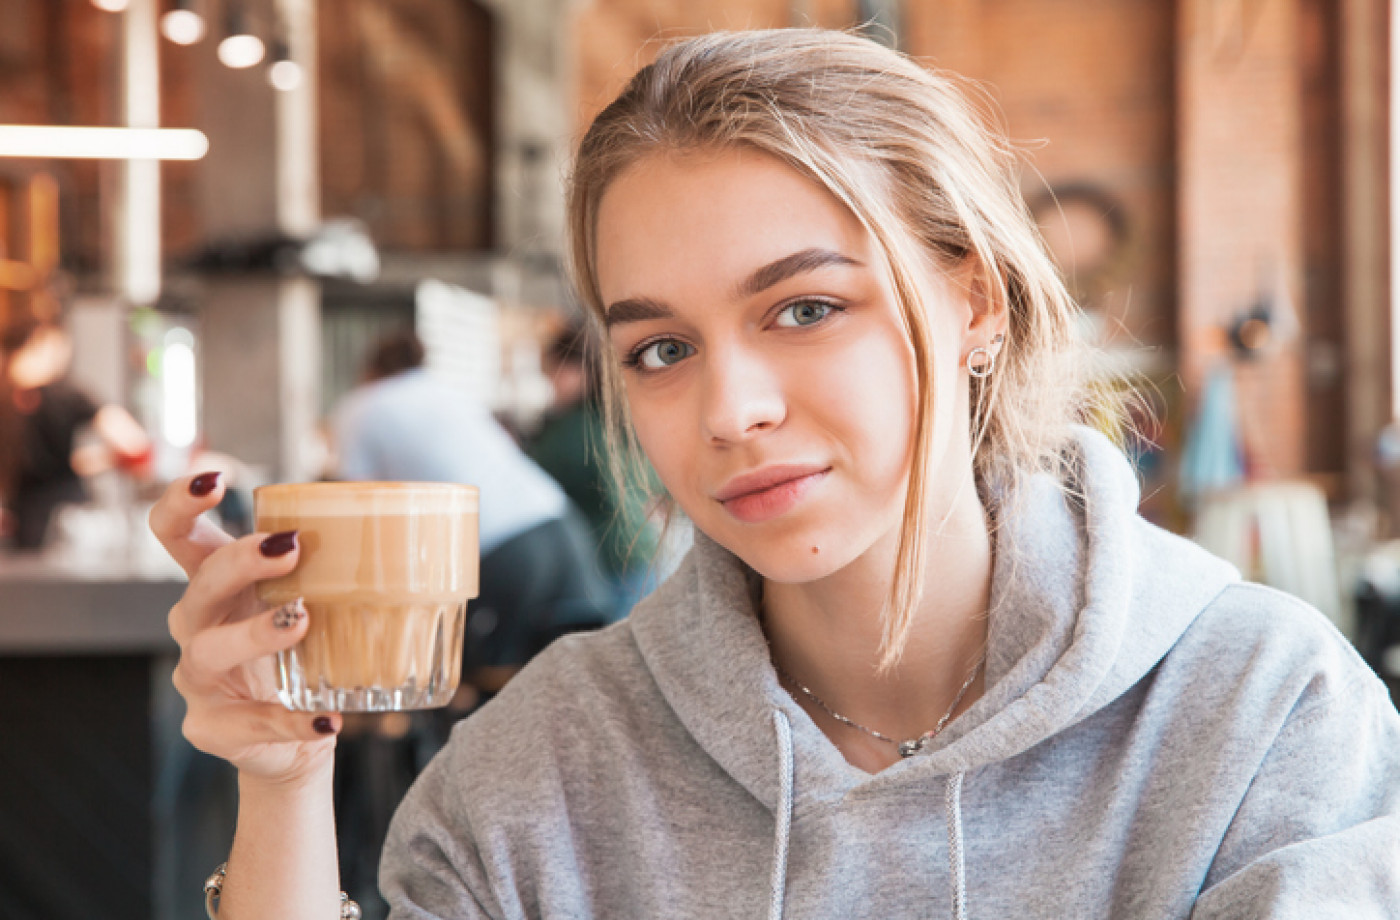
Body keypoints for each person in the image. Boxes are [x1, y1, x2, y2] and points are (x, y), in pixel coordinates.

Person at [150, 29, 1400, 920]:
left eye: (804, 308)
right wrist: (284, 779)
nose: (730, 409)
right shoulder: (542, 770)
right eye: (659, 348)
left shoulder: (1259, 712)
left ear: (969, 296)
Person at [330, 328, 615, 678]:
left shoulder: (362, 406)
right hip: (560, 528)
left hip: (498, 547)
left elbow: (348, 508)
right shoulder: (448, 391)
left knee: (463, 679)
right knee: (565, 679)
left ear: (370, 370)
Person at [528, 321, 660, 616]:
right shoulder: (619, 420)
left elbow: (528, 487)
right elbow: (656, 484)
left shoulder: (573, 431)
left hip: (604, 564)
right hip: (643, 555)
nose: (550, 384)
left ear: (580, 370)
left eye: (553, 373)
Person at [0, 316, 151, 550]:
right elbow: (132, 441)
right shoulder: (68, 394)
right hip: (66, 518)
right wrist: (97, 460)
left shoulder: (7, 396)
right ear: (44, 343)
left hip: (20, 520)